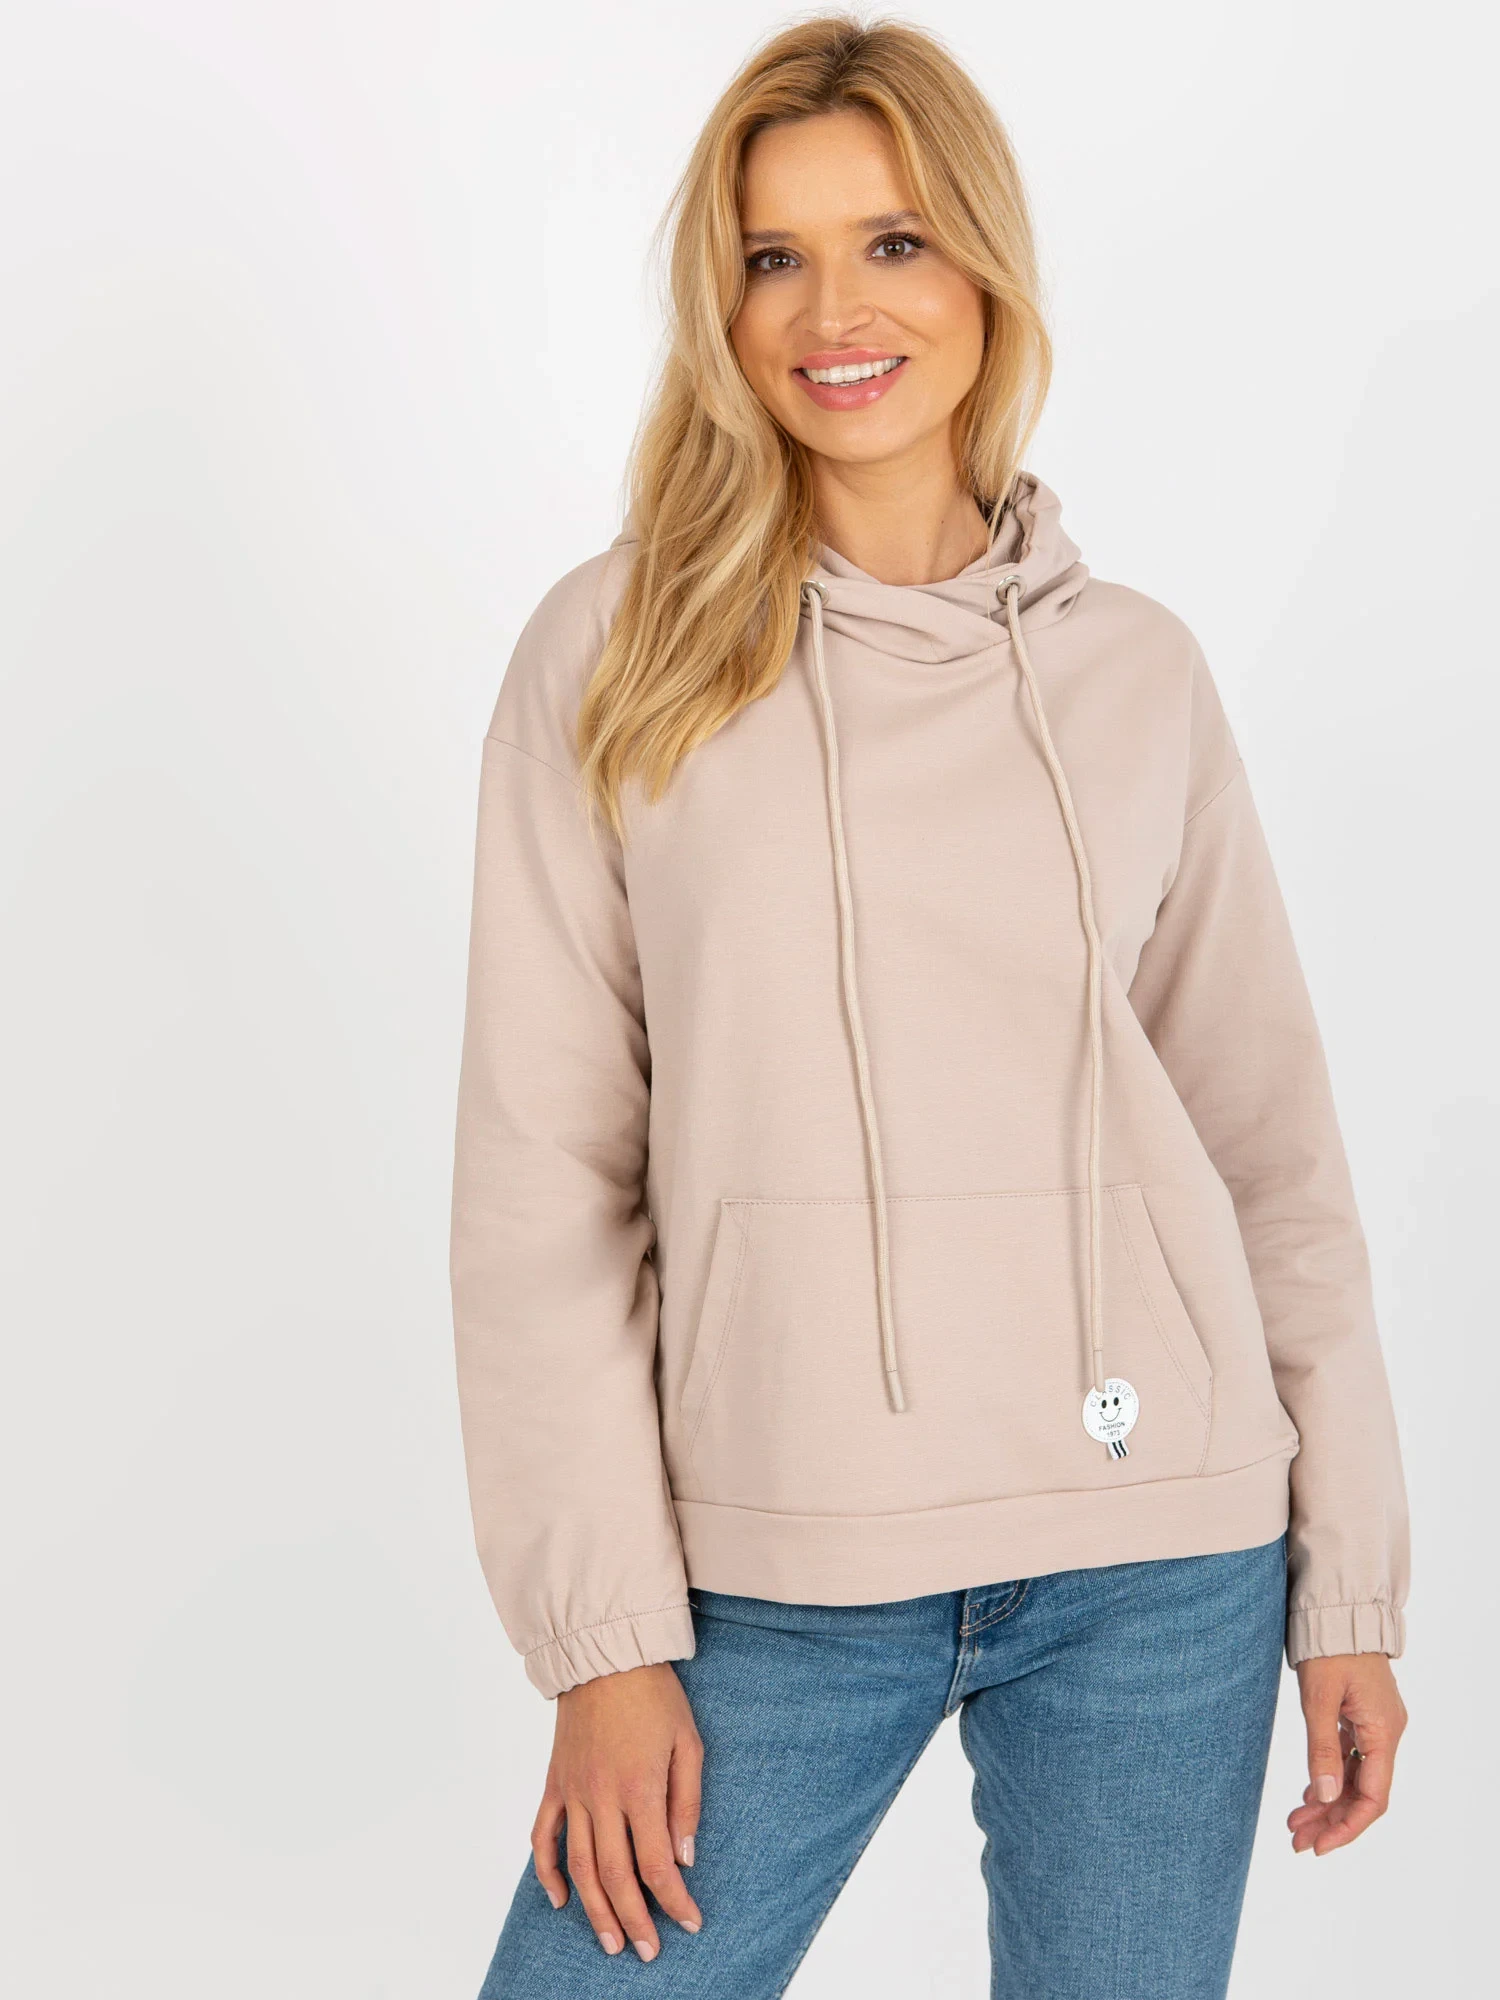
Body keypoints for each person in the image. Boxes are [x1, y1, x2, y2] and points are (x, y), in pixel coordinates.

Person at [449, 16, 1410, 1996]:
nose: (836, 313)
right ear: (720, 308)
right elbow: (545, 1182)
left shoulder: (1137, 672)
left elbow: (1270, 1150)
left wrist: (1352, 1583)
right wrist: (603, 1642)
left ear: (985, 267)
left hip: (1163, 1558)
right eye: (772, 258)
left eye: (893, 241)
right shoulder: (620, 654)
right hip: (775, 1569)